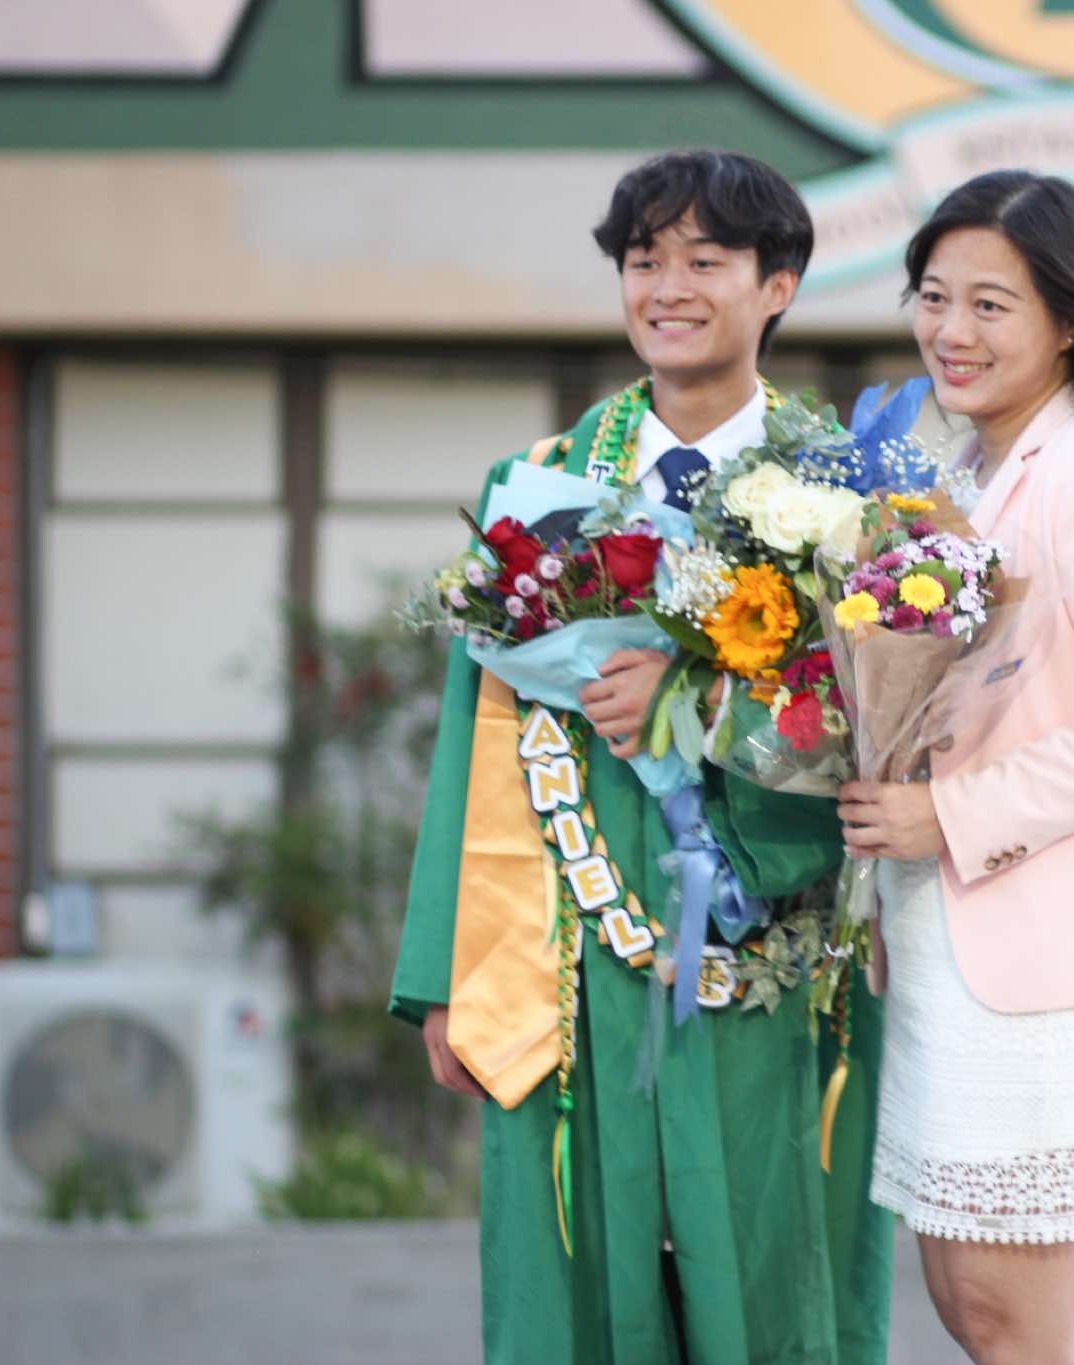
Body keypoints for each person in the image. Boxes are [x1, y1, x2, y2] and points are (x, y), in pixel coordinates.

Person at [391, 149, 890, 1365]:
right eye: (642, 259)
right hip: (570, 961)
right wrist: (446, 972)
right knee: (577, 1281)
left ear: (777, 286)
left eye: (703, 260)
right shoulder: (540, 490)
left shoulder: (850, 498)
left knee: (767, 1276)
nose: (666, 287)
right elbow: (474, 736)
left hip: (777, 956)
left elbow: (885, 732)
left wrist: (704, 700)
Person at [837, 170, 1074, 1365]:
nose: (950, 330)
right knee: (969, 1306)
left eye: (989, 305)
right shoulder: (955, 481)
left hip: (1041, 949)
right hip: (942, 934)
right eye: (932, 297)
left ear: (1068, 320)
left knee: (1019, 1324)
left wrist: (947, 815)